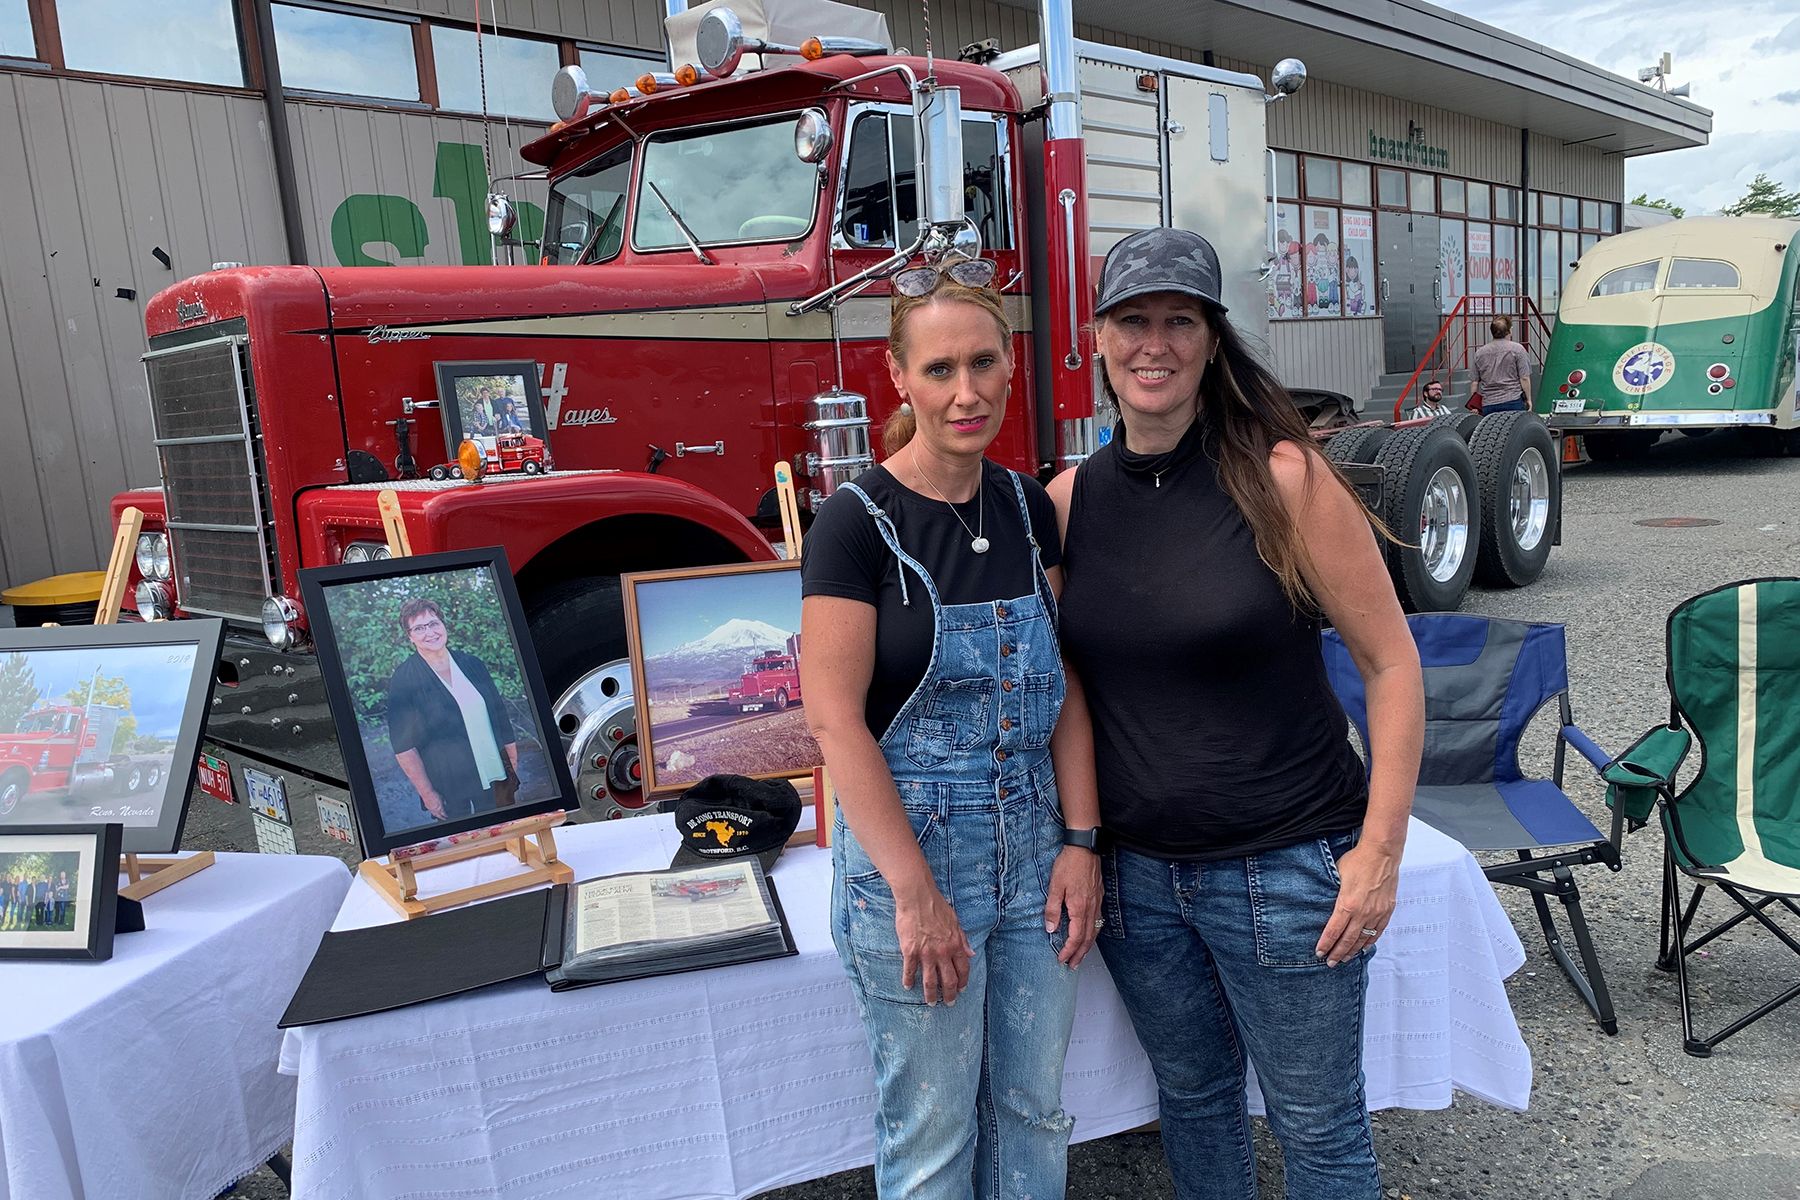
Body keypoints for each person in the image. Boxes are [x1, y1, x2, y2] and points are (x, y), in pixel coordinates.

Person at [1052, 227, 1424, 1199]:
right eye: (1133, 320)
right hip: (1139, 886)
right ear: (1097, 337)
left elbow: (1392, 667)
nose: (1155, 343)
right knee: (1194, 1099)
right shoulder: (1064, 504)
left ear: (1213, 341)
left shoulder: (1286, 480)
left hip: (1289, 868)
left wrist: (1379, 854)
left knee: (1320, 1131)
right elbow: (1062, 693)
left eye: (1180, 321)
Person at [800, 265, 1101, 1199]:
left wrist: (1082, 840)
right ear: (898, 377)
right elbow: (833, 720)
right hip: (916, 856)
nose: (965, 392)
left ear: (1013, 366)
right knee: (930, 1133)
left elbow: (1063, 687)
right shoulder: (853, 525)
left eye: (982, 363)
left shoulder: (1026, 508)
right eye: (939, 370)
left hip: (1035, 855)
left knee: (1033, 1113)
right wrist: (913, 891)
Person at [386, 598, 521, 823]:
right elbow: (404, 747)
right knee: (464, 847)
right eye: (419, 628)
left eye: (433, 623)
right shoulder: (404, 679)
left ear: (443, 625)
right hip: (449, 788)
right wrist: (427, 794)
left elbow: (500, 716)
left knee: (504, 836)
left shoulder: (472, 664)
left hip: (494, 772)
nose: (429, 632)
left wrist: (512, 764)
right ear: (410, 636)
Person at [1470, 315, 1535, 413]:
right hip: (1513, 400)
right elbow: (1524, 378)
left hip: (1488, 403)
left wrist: (1473, 404)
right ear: (1509, 331)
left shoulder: (1480, 353)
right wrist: (1529, 399)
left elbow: (1474, 382)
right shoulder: (1518, 349)